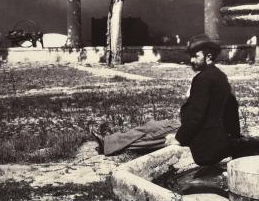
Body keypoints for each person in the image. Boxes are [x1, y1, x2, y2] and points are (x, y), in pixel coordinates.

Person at [95, 34, 240, 165]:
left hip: (199, 132)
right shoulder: (219, 76)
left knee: (152, 136)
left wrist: (179, 138)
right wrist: (235, 137)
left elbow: (197, 115)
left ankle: (109, 145)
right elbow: (232, 109)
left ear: (208, 57)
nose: (191, 60)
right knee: (151, 125)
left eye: (196, 56)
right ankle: (110, 141)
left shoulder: (203, 79)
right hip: (198, 127)